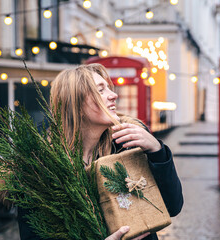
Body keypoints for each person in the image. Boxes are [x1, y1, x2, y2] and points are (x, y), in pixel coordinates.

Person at [15, 63, 183, 240]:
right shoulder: (41, 166)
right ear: (76, 105)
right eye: (101, 91)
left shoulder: (128, 144)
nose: (114, 95)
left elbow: (173, 206)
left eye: (109, 89)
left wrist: (157, 150)